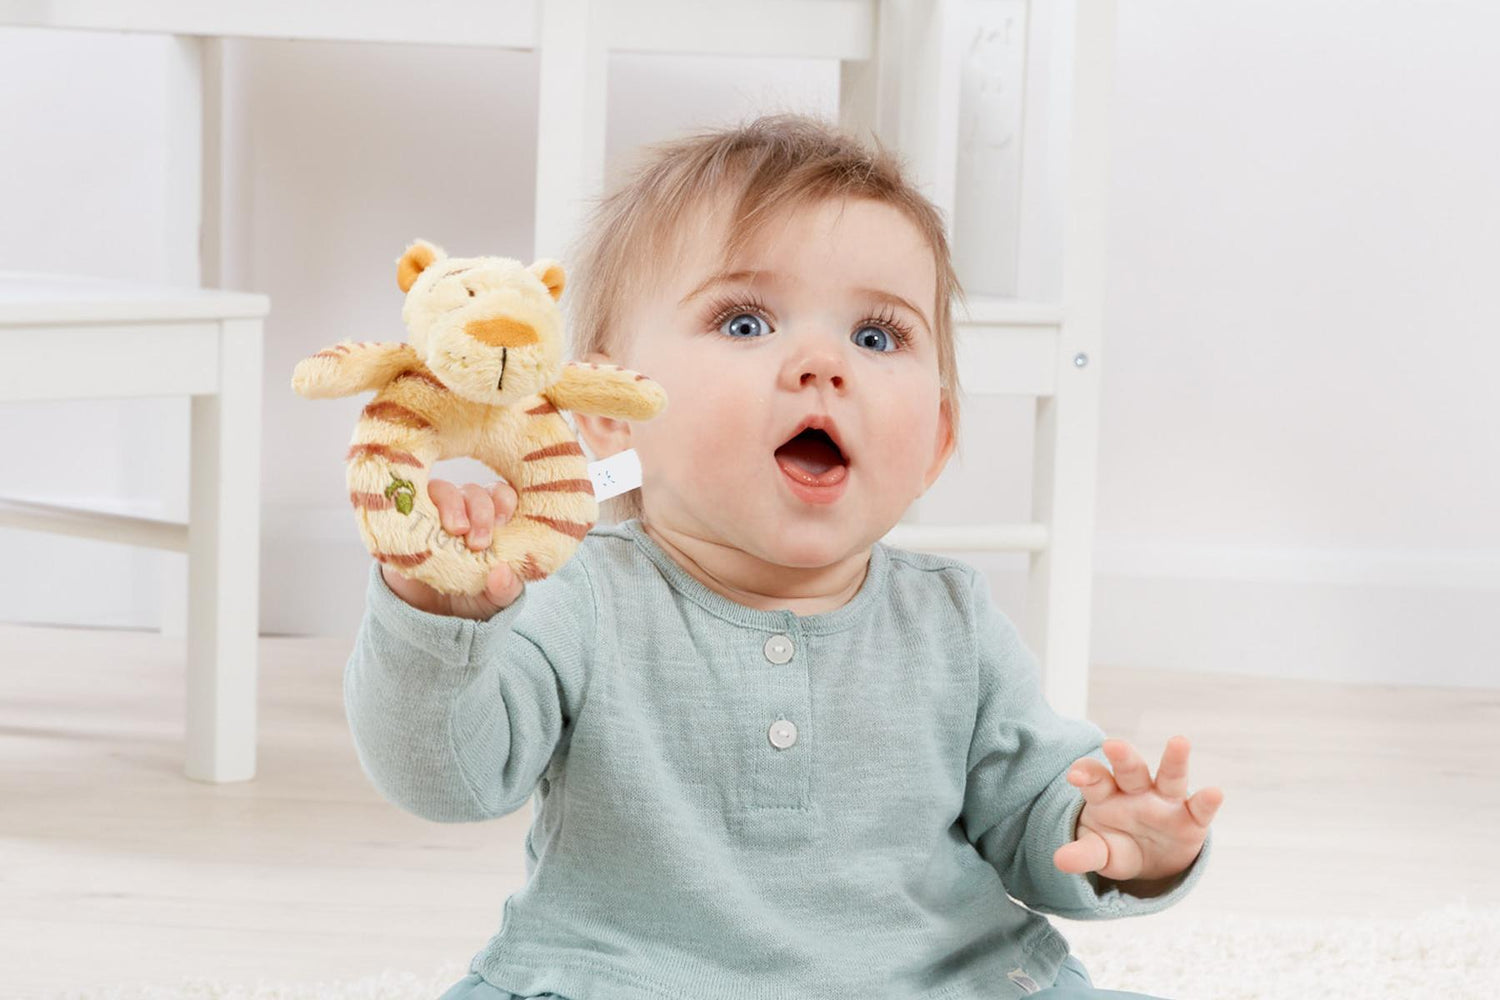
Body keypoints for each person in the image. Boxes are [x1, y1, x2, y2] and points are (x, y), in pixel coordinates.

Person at [346, 112, 1224, 1000]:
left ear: (936, 442)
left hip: (940, 977)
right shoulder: (579, 596)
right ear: (611, 409)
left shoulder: (951, 620)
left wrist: (1119, 839)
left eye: (877, 337)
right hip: (620, 977)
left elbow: (1036, 807)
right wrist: (437, 621)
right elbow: (447, 780)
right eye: (744, 321)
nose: (820, 363)